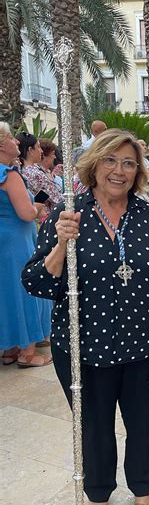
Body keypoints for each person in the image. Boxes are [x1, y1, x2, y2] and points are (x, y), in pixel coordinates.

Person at [22, 129, 149, 505]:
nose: (119, 170)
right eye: (111, 160)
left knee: (141, 419)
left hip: (144, 345)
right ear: (94, 165)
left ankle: (143, 490)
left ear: (138, 171)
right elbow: (37, 283)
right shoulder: (68, 214)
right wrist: (61, 244)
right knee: (94, 424)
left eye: (128, 163)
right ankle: (97, 494)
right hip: (82, 346)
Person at [0, 123, 52, 367]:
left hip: (3, 239)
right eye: (11, 137)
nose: (17, 142)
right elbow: (25, 213)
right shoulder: (9, 175)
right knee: (26, 290)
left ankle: (9, 349)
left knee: (6, 292)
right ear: (2, 144)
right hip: (17, 240)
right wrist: (37, 208)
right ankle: (27, 353)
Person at [16, 132, 63, 217]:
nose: (41, 151)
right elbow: (56, 199)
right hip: (47, 219)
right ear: (30, 150)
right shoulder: (35, 174)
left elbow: (41, 197)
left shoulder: (19, 170)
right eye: (38, 147)